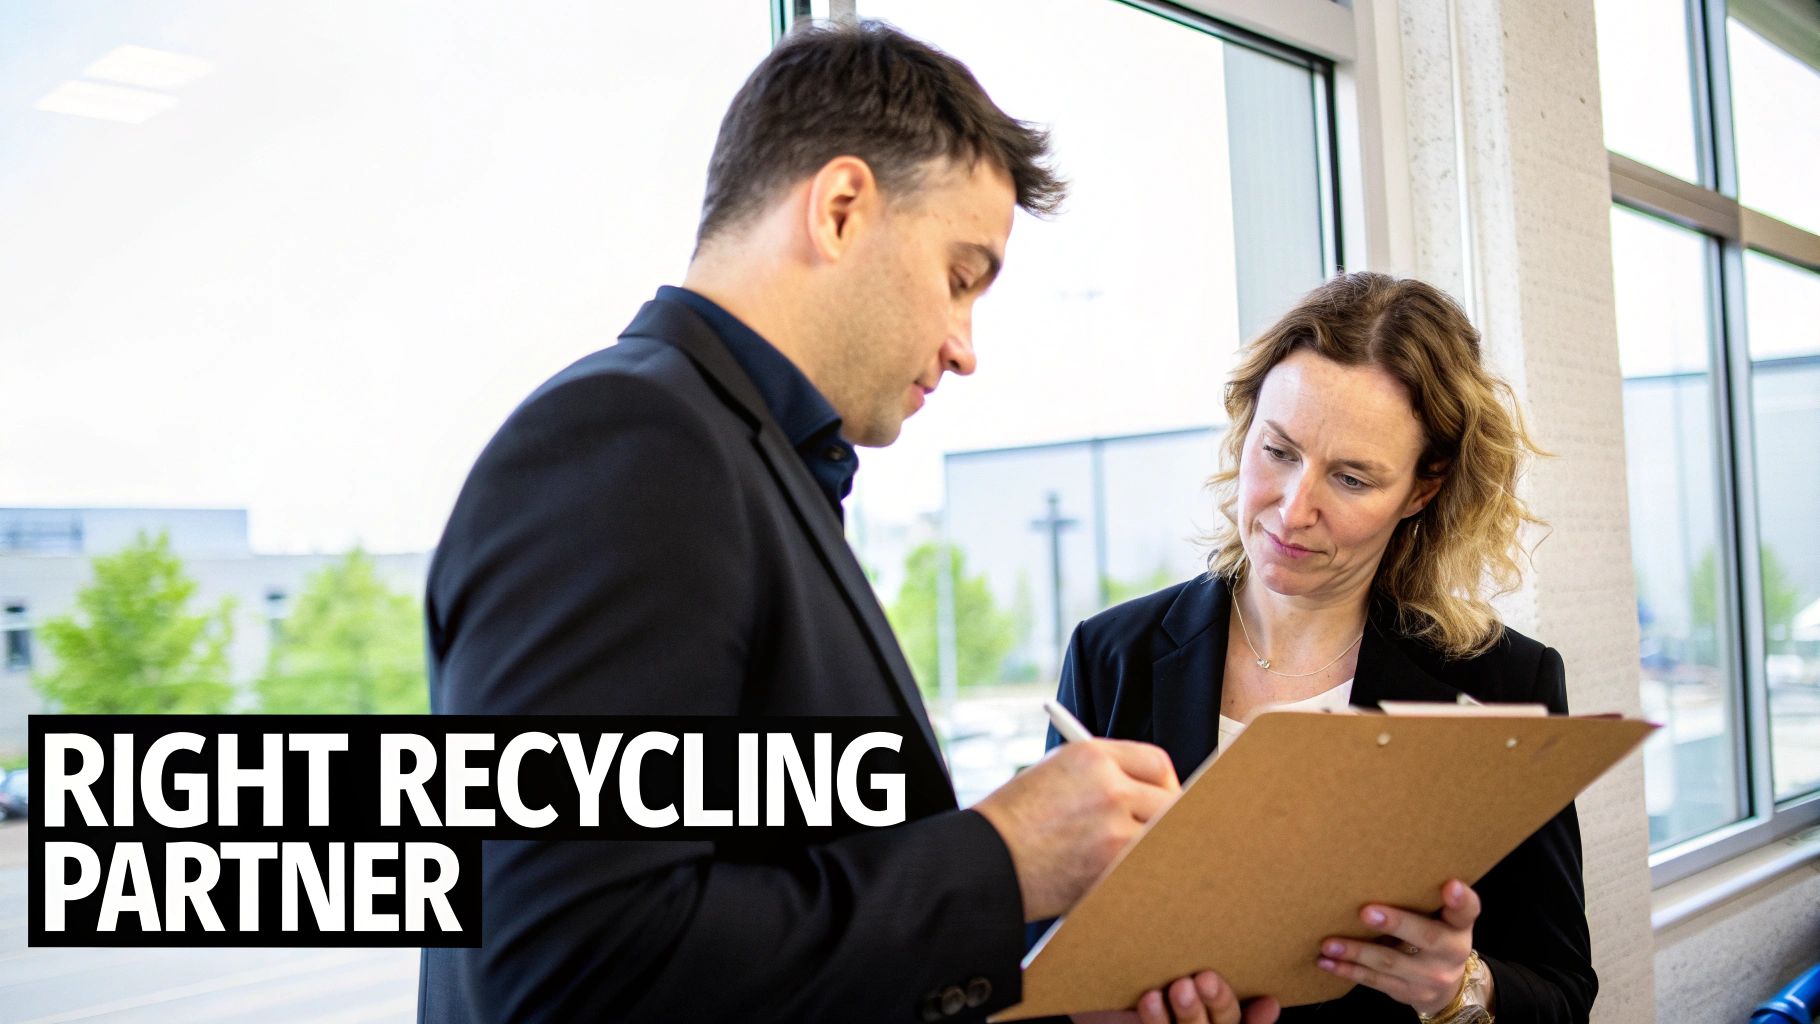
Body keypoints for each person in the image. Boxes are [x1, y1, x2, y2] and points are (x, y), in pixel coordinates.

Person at [417, 21, 1218, 1024]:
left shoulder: (750, 465)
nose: (965, 347)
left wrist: (1049, 993)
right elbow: (571, 966)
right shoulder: (632, 440)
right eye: (961, 277)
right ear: (840, 209)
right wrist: (1000, 860)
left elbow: (758, 927)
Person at [1041, 272, 1596, 1023]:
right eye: (1278, 451)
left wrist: (1458, 989)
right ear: (1246, 429)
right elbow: (1042, 948)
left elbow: (1563, 995)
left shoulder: (1503, 681)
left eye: (1352, 477)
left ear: (1423, 490)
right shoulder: (1113, 655)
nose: (1294, 510)